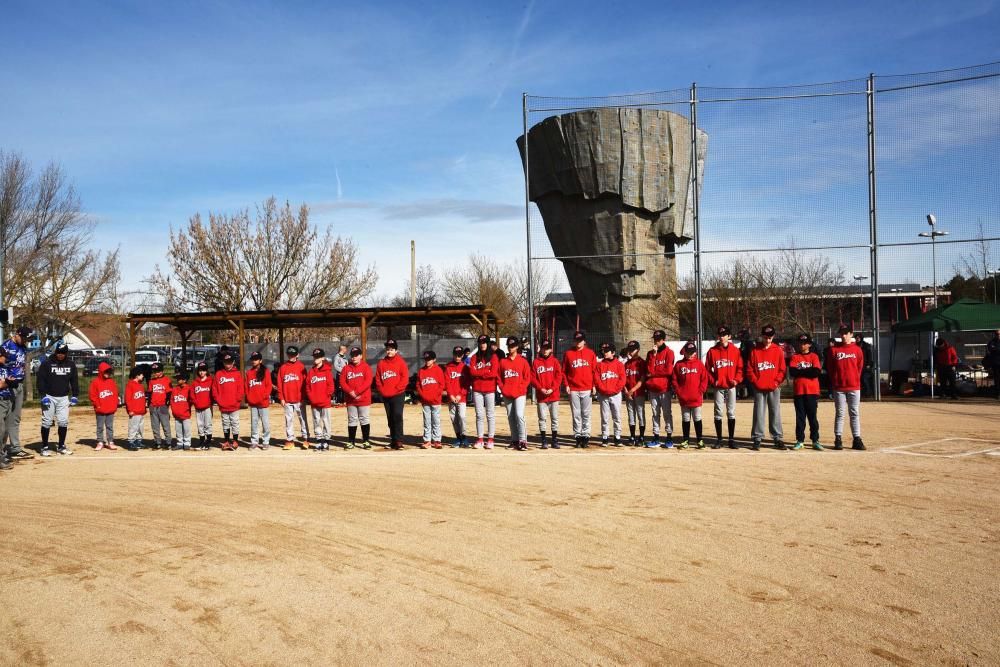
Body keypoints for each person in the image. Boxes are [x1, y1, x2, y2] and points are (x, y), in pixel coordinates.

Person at [747, 325, 786, 451]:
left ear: (773, 337)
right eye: (765, 337)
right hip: (759, 387)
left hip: (773, 387)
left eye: (770, 337)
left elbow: (782, 369)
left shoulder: (778, 350)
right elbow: (749, 369)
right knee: (759, 412)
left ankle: (777, 437)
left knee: (775, 412)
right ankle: (757, 438)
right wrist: (755, 382)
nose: (768, 340)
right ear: (762, 336)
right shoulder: (755, 351)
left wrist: (777, 382)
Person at [37, 344, 79, 456]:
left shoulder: (70, 364)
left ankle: (61, 446)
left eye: (63, 353)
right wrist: (43, 395)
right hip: (49, 396)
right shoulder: (47, 363)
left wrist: (75, 395)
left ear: (66, 353)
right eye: (58, 352)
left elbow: (74, 380)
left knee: (63, 422)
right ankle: (44, 447)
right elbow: (41, 379)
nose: (60, 355)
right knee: (47, 422)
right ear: (55, 352)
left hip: (64, 397)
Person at [705, 326, 743, 449]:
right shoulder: (712, 351)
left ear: (729, 336)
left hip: (731, 386)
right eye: (720, 335)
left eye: (724, 335)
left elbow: (740, 368)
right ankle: (719, 439)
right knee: (718, 413)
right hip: (719, 387)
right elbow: (707, 369)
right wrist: (713, 381)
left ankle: (731, 439)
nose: (722, 337)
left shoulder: (735, 351)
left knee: (731, 413)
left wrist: (737, 380)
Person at [829, 325, 866, 450]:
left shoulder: (857, 350)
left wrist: (854, 379)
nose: (843, 336)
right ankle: (838, 438)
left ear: (851, 334)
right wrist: (835, 380)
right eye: (841, 333)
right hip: (839, 387)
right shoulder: (834, 350)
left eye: (846, 333)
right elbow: (830, 367)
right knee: (840, 413)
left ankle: (856, 439)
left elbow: (859, 367)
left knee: (854, 413)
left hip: (854, 386)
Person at [562, 331, 598, 448]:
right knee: (576, 413)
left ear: (584, 341)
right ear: (574, 341)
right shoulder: (568, 354)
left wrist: (593, 385)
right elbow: (564, 371)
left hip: (587, 387)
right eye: (577, 340)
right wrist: (566, 384)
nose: (578, 342)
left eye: (580, 340)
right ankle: (578, 436)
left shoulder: (590, 353)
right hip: (573, 388)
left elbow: (594, 371)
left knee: (586, 413)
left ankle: (586, 435)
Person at [2, 326, 33, 461]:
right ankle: (3, 451)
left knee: (15, 418)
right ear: (17, 334)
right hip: (8, 386)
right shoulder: (6, 346)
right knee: (6, 418)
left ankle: (15, 448)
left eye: (27, 338)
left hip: (19, 384)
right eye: (24, 337)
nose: (26, 340)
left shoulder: (23, 347)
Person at [788, 333, 823, 451]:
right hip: (799, 392)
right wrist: (808, 370)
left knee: (812, 417)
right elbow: (793, 372)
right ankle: (800, 440)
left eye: (805, 343)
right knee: (800, 417)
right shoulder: (795, 357)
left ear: (809, 344)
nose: (802, 345)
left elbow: (816, 372)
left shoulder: (814, 356)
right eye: (800, 343)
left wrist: (801, 371)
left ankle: (815, 440)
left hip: (812, 392)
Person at [672, 341, 709, 449]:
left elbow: (704, 379)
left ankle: (699, 440)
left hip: (696, 397)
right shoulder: (679, 364)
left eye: (693, 352)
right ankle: (686, 440)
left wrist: (701, 391)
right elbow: (674, 380)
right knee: (686, 418)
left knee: (697, 417)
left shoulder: (699, 364)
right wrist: (679, 391)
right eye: (688, 352)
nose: (691, 354)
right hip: (684, 397)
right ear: (684, 352)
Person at [498, 337, 531, 451]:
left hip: (520, 393)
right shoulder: (503, 362)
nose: (510, 348)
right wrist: (503, 388)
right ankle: (515, 440)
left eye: (513, 346)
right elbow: (499, 377)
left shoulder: (523, 361)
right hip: (507, 393)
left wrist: (521, 388)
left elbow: (527, 378)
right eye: (509, 346)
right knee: (511, 417)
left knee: (519, 415)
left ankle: (523, 441)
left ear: (517, 347)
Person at [375, 339, 408, 450]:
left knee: (397, 416)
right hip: (386, 395)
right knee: (390, 418)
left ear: (396, 350)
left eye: (392, 349)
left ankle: (399, 441)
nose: (389, 351)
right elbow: (378, 379)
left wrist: (396, 389)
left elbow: (404, 379)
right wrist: (382, 390)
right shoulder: (381, 363)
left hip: (398, 394)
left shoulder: (401, 362)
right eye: (388, 349)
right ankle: (393, 440)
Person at [468, 335, 499, 449]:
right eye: (481, 342)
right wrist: (486, 372)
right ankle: (480, 439)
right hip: (477, 389)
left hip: (490, 389)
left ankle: (490, 439)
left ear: (488, 343)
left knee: (490, 414)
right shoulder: (474, 357)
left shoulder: (494, 357)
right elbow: (472, 372)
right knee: (479, 415)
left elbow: (494, 373)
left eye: (485, 342)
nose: (482, 344)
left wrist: (480, 372)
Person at [531, 339, 563, 449]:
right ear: (541, 349)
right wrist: (540, 388)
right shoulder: (536, 362)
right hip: (541, 396)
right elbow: (533, 378)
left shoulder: (555, 361)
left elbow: (559, 377)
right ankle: (544, 440)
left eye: (547, 348)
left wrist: (553, 388)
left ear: (551, 349)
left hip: (553, 395)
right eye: (544, 348)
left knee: (554, 418)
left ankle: (554, 439)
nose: (545, 350)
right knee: (542, 418)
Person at [645, 329, 675, 448]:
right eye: (655, 339)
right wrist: (654, 355)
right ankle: (656, 437)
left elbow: (668, 371)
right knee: (655, 414)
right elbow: (649, 370)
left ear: (663, 340)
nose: (656, 342)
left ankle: (669, 437)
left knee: (667, 413)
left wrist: (653, 374)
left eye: (658, 339)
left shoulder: (669, 352)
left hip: (664, 388)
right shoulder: (650, 353)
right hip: (653, 389)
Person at [340, 347, 373, 449]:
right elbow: (342, 382)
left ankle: (366, 441)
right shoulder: (346, 368)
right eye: (352, 355)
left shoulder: (366, 367)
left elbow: (368, 381)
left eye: (356, 355)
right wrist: (350, 392)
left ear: (360, 356)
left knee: (364, 419)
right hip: (351, 399)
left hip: (363, 398)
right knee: (352, 420)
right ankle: (351, 441)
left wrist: (357, 392)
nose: (354, 357)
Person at [594, 341, 626, 447]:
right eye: (604, 351)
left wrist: (615, 390)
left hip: (615, 394)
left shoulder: (619, 365)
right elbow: (597, 379)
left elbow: (622, 379)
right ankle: (605, 437)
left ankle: (617, 437)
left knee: (617, 416)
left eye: (607, 351)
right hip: (603, 395)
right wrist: (603, 389)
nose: (605, 353)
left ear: (613, 352)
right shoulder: (600, 365)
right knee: (605, 417)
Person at [277, 346, 308, 450]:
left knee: (303, 419)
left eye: (293, 355)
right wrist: (281, 397)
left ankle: (306, 439)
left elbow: (305, 384)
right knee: (288, 420)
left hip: (299, 399)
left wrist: (304, 397)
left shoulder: (301, 367)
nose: (291, 357)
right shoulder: (283, 367)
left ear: (297, 355)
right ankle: (290, 440)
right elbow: (279, 383)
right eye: (290, 355)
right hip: (287, 399)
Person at [213, 352, 245, 451]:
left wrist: (237, 400)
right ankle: (226, 440)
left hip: (234, 405)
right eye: (226, 362)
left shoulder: (237, 374)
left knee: (235, 423)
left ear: (233, 362)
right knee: (225, 423)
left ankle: (235, 441)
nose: (228, 364)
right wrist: (219, 400)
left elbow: (241, 389)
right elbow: (215, 389)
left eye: (230, 362)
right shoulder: (219, 374)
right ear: (223, 362)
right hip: (223, 405)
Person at [305, 348, 334, 451]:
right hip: (314, 402)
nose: (315, 359)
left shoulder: (327, 371)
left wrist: (327, 396)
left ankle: (326, 441)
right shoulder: (311, 371)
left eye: (318, 357)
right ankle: (318, 440)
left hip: (325, 402)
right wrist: (311, 397)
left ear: (322, 358)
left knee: (326, 421)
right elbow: (307, 386)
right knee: (316, 421)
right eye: (314, 357)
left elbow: (331, 386)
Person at [416, 350, 445, 449]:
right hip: (425, 401)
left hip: (436, 401)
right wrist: (422, 395)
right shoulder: (421, 371)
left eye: (429, 359)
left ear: (434, 360)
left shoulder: (438, 370)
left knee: (436, 421)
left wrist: (435, 395)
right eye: (426, 359)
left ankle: (437, 440)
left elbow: (441, 385)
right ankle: (427, 440)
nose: (427, 361)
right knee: (427, 421)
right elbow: (418, 385)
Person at [444, 346, 471, 448]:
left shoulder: (465, 368)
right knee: (453, 418)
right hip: (451, 398)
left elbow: (467, 383)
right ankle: (458, 437)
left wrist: (460, 394)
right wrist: (451, 395)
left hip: (461, 398)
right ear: (453, 354)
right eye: (456, 355)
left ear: (462, 355)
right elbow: (447, 383)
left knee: (462, 417)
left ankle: (464, 437)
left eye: (459, 355)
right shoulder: (448, 367)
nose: (457, 357)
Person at [89, 361, 119, 451]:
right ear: (101, 372)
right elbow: (92, 395)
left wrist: (115, 405)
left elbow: (115, 394)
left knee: (110, 426)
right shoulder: (95, 382)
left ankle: (110, 441)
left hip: (110, 408)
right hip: (100, 409)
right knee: (100, 427)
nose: (108, 374)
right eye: (106, 372)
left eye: (109, 372)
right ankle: (100, 442)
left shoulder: (111, 382)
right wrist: (97, 406)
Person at [622, 340, 648, 447]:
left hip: (639, 392)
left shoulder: (641, 362)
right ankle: (632, 436)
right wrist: (626, 390)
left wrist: (632, 390)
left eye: (633, 350)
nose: (631, 352)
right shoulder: (626, 364)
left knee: (640, 414)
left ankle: (641, 436)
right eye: (630, 350)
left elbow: (642, 379)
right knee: (631, 415)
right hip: (629, 394)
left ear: (638, 350)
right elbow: (623, 379)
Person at [245, 351, 273, 450]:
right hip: (253, 403)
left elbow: (269, 386)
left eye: (256, 359)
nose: (254, 361)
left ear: (260, 361)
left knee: (265, 423)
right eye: (252, 359)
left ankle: (265, 441)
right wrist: (249, 398)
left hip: (263, 402)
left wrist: (264, 397)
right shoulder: (249, 373)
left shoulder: (266, 372)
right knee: (254, 423)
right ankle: (254, 441)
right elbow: (247, 387)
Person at [147, 361, 172, 450]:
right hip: (153, 406)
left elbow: (169, 393)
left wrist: (167, 403)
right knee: (155, 426)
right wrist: (149, 404)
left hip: (163, 406)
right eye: (154, 371)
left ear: (162, 371)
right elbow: (149, 393)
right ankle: (157, 442)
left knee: (166, 425)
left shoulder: (167, 380)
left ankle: (168, 442)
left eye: (157, 371)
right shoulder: (151, 381)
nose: (155, 373)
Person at [191, 362, 214, 450]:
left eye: (204, 370)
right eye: (200, 370)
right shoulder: (195, 383)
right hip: (198, 407)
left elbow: (213, 393)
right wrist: (195, 402)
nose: (202, 372)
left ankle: (208, 441)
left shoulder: (210, 381)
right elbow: (192, 395)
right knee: (200, 424)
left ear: (206, 371)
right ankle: (201, 441)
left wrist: (210, 402)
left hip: (207, 407)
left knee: (208, 424)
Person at [124, 367, 148, 451]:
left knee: (140, 428)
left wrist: (144, 408)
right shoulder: (130, 385)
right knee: (133, 427)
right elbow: (128, 399)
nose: (143, 376)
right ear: (137, 375)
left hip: (141, 411)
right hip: (134, 411)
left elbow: (142, 398)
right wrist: (130, 410)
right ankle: (131, 442)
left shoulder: (140, 385)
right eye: (141, 375)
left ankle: (138, 441)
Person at [0, 349, 16, 470]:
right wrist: (7, 382)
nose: (5, 358)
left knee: (5, 431)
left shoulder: (5, 367)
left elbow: (11, 382)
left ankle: (2, 454)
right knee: (1, 430)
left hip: (7, 399)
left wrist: (10, 382)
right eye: (3, 356)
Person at [169, 372, 194, 450]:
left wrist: (187, 408)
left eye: (179, 379)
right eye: (177, 379)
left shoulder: (189, 389)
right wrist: (173, 410)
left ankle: (187, 443)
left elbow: (191, 400)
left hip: (185, 414)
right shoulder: (174, 389)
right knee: (178, 430)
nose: (177, 380)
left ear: (185, 380)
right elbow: (172, 401)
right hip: (176, 414)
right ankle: (179, 443)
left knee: (187, 429)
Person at [737, 328, 754, 399]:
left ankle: (751, 394)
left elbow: (751, 354)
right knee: (742, 379)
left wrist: (748, 363)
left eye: (741, 336)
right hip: (744, 364)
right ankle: (741, 394)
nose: (740, 337)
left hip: (748, 364)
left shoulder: (749, 343)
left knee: (749, 379)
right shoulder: (743, 343)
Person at [986, 330, 1000, 400]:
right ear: (995, 334)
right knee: (996, 379)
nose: (998, 335)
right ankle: (997, 394)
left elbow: (994, 350)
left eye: (999, 334)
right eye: (997, 334)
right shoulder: (991, 342)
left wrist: (996, 350)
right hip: (995, 363)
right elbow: (990, 350)